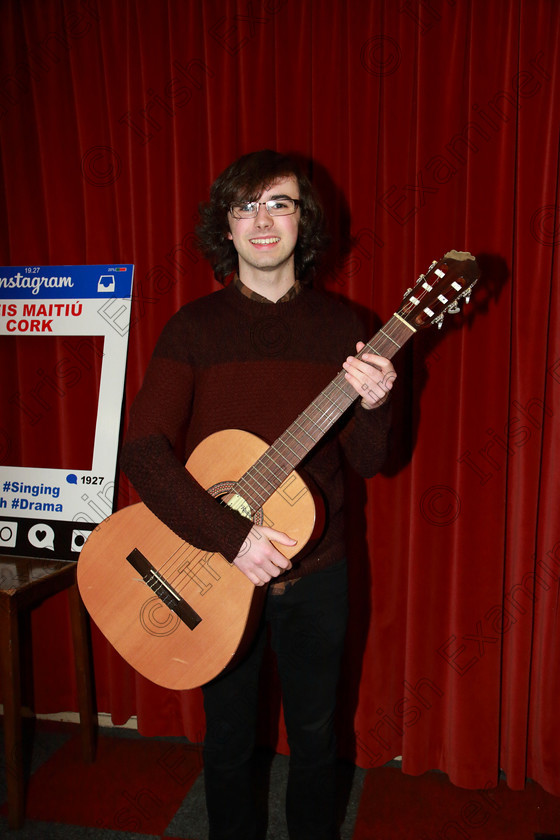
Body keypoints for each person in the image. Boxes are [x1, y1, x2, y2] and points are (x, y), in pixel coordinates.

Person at [121, 149, 396, 840]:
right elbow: (144, 454)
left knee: (314, 740)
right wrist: (231, 538)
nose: (262, 221)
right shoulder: (193, 328)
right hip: (218, 574)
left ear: (305, 221)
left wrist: (378, 402)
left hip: (320, 572)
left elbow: (373, 461)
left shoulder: (345, 329)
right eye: (245, 206)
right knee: (228, 742)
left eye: (280, 203)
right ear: (226, 226)